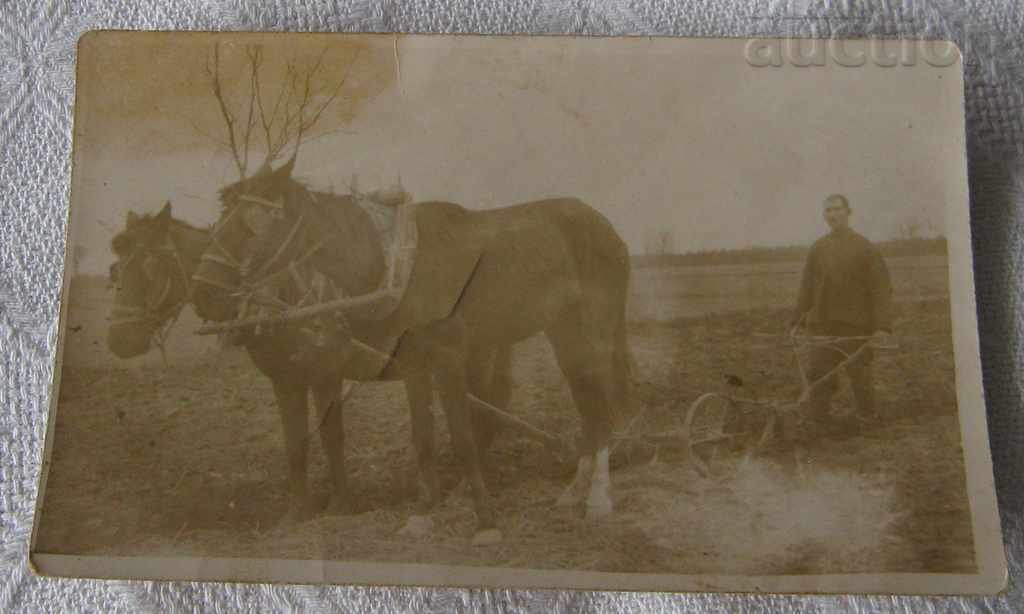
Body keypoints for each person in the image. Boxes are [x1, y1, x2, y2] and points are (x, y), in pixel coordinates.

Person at [790, 194, 893, 430]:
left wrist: (882, 326)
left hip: (854, 325)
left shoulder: (865, 248)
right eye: (828, 210)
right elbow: (807, 287)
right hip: (823, 324)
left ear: (848, 212)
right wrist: (797, 320)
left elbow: (880, 288)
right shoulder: (818, 248)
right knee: (818, 372)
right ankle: (818, 420)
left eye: (837, 209)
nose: (832, 215)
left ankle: (867, 419)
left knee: (859, 373)